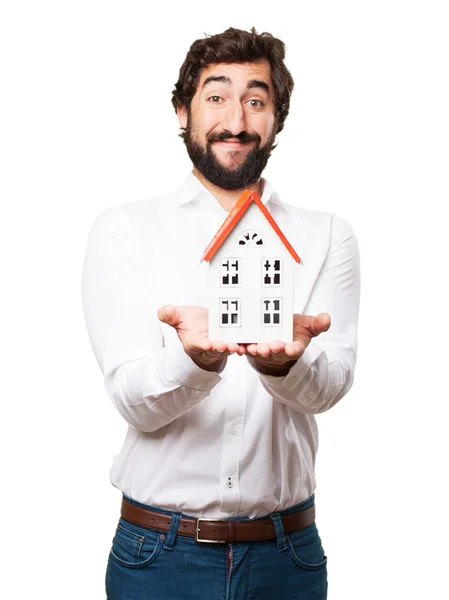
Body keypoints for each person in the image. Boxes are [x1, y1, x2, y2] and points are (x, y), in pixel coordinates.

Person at [81, 26, 360, 600]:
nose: (236, 118)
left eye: (255, 100)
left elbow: (331, 386)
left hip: (288, 555)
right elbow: (132, 398)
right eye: (216, 96)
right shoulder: (125, 230)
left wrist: (287, 367)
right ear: (183, 112)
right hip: (159, 555)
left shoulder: (327, 235)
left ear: (276, 118)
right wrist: (193, 363)